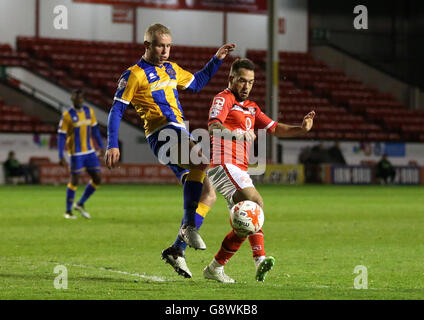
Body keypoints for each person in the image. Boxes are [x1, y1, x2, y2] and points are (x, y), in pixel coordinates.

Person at [104, 23, 235, 278]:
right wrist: (111, 143)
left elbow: (196, 84)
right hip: (162, 133)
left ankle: (177, 250)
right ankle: (187, 225)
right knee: (200, 160)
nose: (165, 50)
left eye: (168, 45)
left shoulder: (172, 69)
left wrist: (216, 60)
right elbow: (117, 109)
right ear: (147, 45)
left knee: (208, 195)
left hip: (180, 133)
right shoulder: (134, 74)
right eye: (160, 45)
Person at [203, 58, 315, 283]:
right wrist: (236, 134)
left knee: (245, 223)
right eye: (242, 81)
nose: (246, 86)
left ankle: (215, 267)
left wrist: (301, 129)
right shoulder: (223, 98)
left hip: (239, 168)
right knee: (256, 204)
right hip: (224, 164)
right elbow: (213, 125)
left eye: (251, 82)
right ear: (231, 79)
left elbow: (275, 128)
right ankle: (259, 259)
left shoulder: (252, 108)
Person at [58, 89, 105, 219]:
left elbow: (95, 130)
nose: (78, 100)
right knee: (75, 180)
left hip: (90, 152)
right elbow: (61, 136)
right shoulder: (67, 115)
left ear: (83, 99)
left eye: (80, 98)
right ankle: (68, 211)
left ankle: (80, 203)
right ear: (72, 99)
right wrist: (61, 155)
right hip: (76, 153)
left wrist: (101, 147)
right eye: (76, 98)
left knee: (97, 178)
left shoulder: (89, 112)